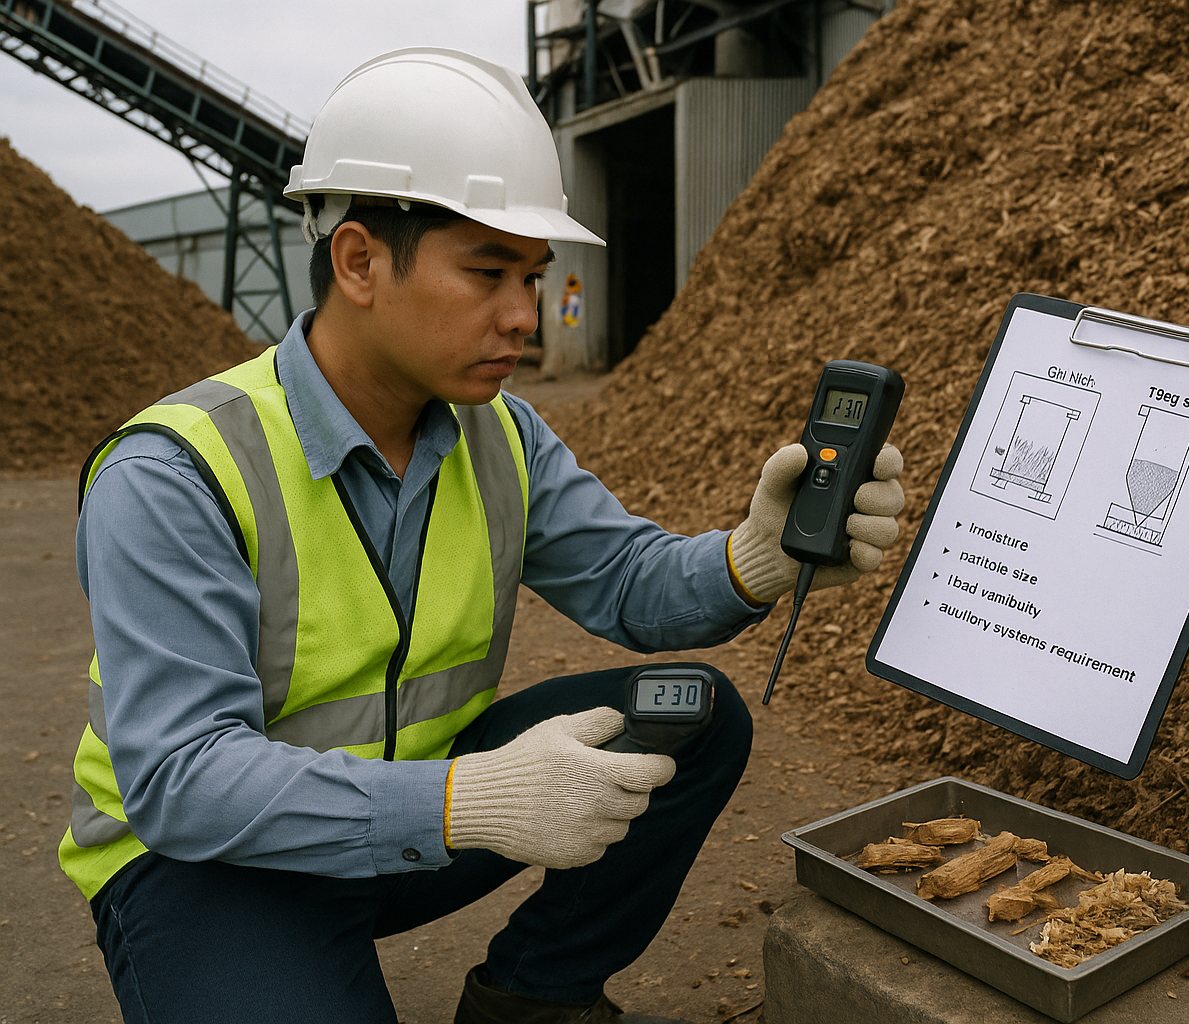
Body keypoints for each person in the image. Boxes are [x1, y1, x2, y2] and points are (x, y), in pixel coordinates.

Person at [58, 47, 904, 1024]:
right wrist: (465, 802)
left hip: (405, 819)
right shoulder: (178, 470)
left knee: (694, 713)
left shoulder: (496, 432)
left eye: (534, 275)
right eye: (488, 273)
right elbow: (181, 779)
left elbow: (628, 579)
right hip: (205, 865)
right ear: (361, 261)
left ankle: (532, 997)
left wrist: (756, 556)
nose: (524, 314)